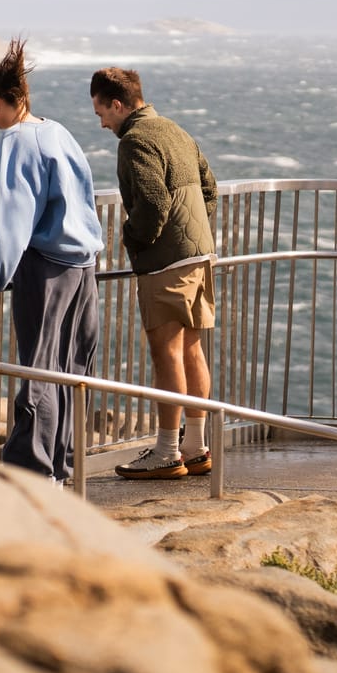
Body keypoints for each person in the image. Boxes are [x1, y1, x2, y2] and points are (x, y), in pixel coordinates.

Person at [0, 39, 103, 485]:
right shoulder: (57, 131)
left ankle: (32, 471)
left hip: (45, 266)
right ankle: (61, 465)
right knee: (72, 368)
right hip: (83, 263)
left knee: (39, 369)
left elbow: (16, 218)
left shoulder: (17, 142)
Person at [90, 66, 219, 480]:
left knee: (166, 354)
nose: (101, 122)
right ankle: (196, 447)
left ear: (117, 104)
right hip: (199, 256)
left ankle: (167, 451)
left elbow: (151, 203)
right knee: (192, 350)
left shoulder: (135, 140)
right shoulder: (174, 130)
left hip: (165, 262)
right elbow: (209, 189)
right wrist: (191, 234)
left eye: (101, 113)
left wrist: (132, 238)